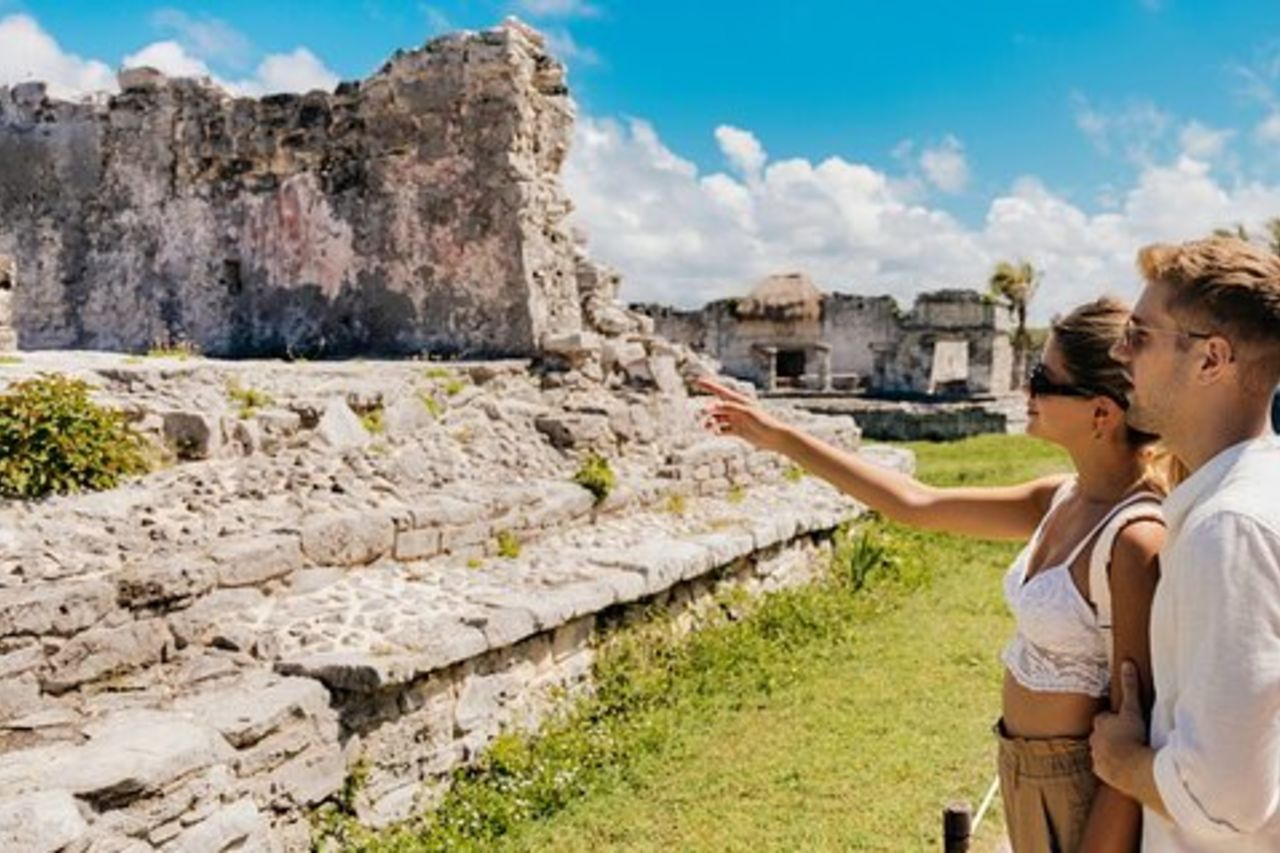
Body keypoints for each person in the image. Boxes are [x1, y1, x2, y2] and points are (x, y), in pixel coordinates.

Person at [700, 297, 1168, 851]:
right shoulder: (1060, 497)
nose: (1027, 390)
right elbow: (916, 503)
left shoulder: (1134, 539)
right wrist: (778, 436)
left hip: (1081, 790)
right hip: (1022, 768)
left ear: (1101, 413)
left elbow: (1133, 733)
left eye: (1043, 379)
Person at [1090, 236, 1280, 850]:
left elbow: (1225, 799)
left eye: (1139, 335)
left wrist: (1122, 761)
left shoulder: (1229, 528)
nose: (1119, 351)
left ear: (1210, 359)